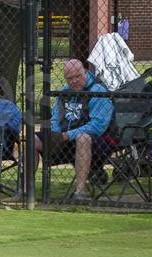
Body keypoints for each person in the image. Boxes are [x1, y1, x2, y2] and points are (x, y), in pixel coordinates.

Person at [35, 59, 114, 203]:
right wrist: (56, 134)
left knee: (83, 137)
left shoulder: (98, 91)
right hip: (65, 140)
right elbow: (55, 118)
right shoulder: (64, 92)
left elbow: (97, 126)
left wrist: (67, 135)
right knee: (31, 139)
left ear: (85, 71)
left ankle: (80, 192)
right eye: (70, 78)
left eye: (78, 76)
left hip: (95, 143)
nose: (74, 81)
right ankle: (26, 190)